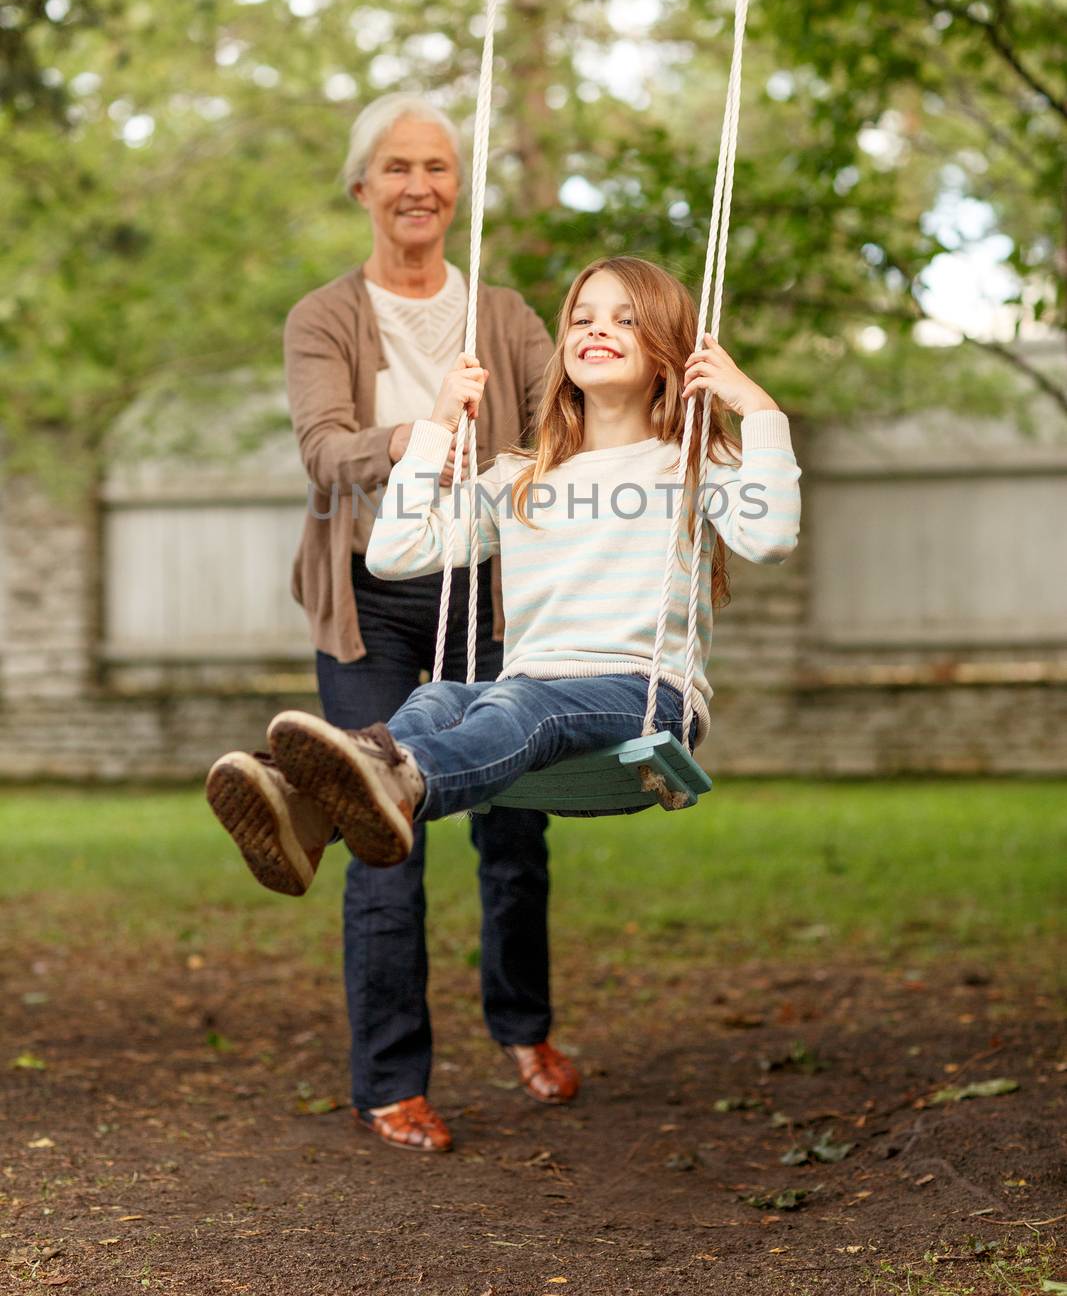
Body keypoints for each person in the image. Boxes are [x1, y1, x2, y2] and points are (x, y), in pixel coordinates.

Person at [219, 256, 802, 1102]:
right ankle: (308, 808)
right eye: (583, 316)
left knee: (509, 699)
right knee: (440, 697)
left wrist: (759, 408)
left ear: (675, 353)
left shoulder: (690, 463)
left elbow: (773, 535)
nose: (597, 330)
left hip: (641, 700)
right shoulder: (519, 478)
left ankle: (396, 782)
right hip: (532, 694)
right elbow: (394, 551)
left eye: (627, 320)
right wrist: (430, 431)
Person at [206, 94, 576, 1156]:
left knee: (513, 827)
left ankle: (523, 1028)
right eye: (397, 167)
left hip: (491, 593)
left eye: (438, 167)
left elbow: (567, 415)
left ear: (456, 188)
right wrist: (425, 430)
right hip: (371, 600)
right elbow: (326, 451)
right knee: (381, 835)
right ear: (361, 186)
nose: (420, 185)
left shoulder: (500, 315)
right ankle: (390, 1083)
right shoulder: (325, 315)